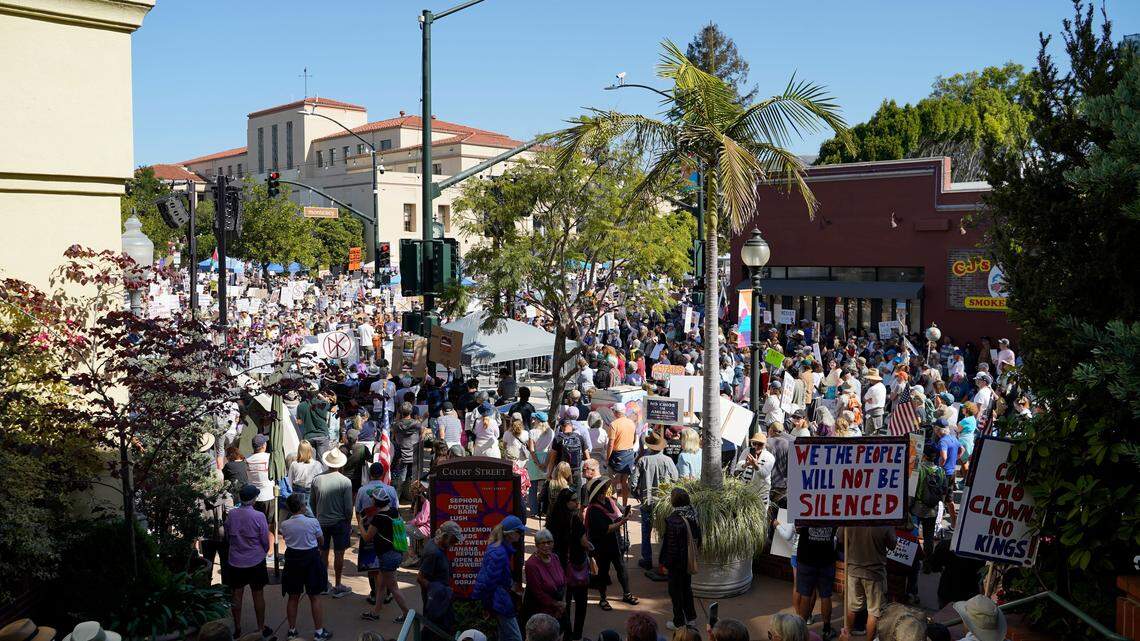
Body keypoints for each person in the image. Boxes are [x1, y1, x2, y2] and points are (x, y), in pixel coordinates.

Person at [279, 494, 332, 641]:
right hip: (311, 560)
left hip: (293, 561)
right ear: (302, 507)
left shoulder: (285, 524)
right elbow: (321, 541)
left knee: (293, 596)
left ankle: (291, 631)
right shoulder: (313, 522)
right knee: (314, 596)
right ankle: (319, 632)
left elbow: (286, 538)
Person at [225, 484, 272, 639]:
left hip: (236, 560)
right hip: (255, 560)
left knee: (237, 594)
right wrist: (264, 551)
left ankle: (237, 627)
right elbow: (265, 540)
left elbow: (227, 534)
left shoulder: (232, 514)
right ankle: (260, 628)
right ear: (254, 499)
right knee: (258, 594)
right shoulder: (259, 516)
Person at [584, 477, 638, 611]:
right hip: (601, 545)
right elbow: (606, 529)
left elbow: (621, 512)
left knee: (621, 568)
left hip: (615, 542)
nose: (603, 493)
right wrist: (622, 522)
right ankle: (603, 599)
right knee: (603, 572)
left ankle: (627, 594)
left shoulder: (610, 501)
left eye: (604, 490)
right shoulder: (593, 510)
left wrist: (627, 513)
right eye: (601, 491)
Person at [472, 516, 528, 641]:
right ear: (510, 534)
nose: (521, 535)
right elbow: (489, 583)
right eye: (519, 532)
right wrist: (487, 606)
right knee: (515, 637)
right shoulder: (500, 553)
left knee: (504, 635)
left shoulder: (498, 549)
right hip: (500, 600)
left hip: (497, 599)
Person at [359, 488, 410, 623]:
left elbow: (367, 537)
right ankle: (375, 613)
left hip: (388, 556)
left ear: (376, 501)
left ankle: (407, 614)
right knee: (381, 585)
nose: (371, 499)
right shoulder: (393, 511)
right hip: (395, 553)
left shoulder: (379, 518)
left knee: (393, 587)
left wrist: (360, 525)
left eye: (372, 498)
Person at [839, 526, 897, 641]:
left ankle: (846, 636)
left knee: (852, 607)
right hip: (874, 573)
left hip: (854, 570)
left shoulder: (850, 519)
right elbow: (893, 545)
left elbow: (840, 539)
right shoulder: (884, 521)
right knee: (874, 612)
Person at [632, 430, 678, 572]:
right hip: (663, 502)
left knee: (646, 531)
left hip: (647, 501)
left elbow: (633, 482)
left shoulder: (643, 460)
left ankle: (647, 559)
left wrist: (636, 493)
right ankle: (663, 561)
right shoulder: (668, 460)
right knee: (664, 532)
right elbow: (676, 478)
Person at [548, 489, 590, 641]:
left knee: (564, 602)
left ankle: (567, 633)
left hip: (559, 567)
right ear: (566, 502)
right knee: (581, 603)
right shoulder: (575, 520)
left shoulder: (552, 518)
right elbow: (584, 542)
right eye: (574, 500)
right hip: (575, 565)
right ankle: (577, 635)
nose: (577, 502)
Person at [312, 448, 354, 599]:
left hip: (321, 521)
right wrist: (348, 522)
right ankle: (338, 584)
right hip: (339, 522)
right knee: (339, 554)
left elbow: (312, 502)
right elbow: (348, 508)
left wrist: (317, 516)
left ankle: (324, 583)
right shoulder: (345, 482)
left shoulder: (317, 479)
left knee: (323, 553)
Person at [659, 487, 701, 630]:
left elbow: (671, 547)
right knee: (686, 589)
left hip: (676, 564)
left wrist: (666, 564)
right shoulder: (693, 514)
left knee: (675, 593)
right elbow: (698, 538)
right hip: (688, 561)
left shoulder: (674, 520)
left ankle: (679, 623)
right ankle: (691, 618)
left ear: (674, 502)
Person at [791, 520, 838, 640]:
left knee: (805, 594)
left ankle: (802, 630)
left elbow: (797, 529)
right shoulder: (834, 512)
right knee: (825, 595)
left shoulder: (806, 510)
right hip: (826, 559)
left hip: (807, 558)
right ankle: (826, 629)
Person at [418, 521, 463, 641]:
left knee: (443, 626)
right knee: (434, 628)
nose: (455, 543)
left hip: (440, 597)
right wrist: (438, 590)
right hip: (436, 599)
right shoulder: (433, 553)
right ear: (445, 536)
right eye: (453, 540)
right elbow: (420, 578)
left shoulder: (438, 545)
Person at [523, 529, 567, 628]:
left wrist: (562, 603)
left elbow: (564, 580)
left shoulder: (555, 558)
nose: (546, 545)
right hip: (541, 613)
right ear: (537, 545)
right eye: (542, 543)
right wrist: (556, 604)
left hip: (559, 608)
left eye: (549, 542)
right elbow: (537, 592)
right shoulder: (531, 564)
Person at [245, 434, 276, 559]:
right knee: (270, 525)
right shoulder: (270, 458)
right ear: (264, 445)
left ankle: (258, 550)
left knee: (256, 525)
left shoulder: (248, 459)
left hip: (254, 497)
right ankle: (270, 551)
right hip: (268, 495)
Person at [606, 404, 637, 508]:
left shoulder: (614, 424)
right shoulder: (631, 423)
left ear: (615, 412)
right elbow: (634, 439)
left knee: (613, 483)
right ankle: (624, 505)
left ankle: (614, 508)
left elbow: (611, 444)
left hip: (617, 455)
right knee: (625, 481)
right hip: (629, 454)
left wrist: (607, 458)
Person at [391, 402, 424, 498]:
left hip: (401, 456)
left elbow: (394, 439)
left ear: (401, 412)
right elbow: (421, 437)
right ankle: (411, 497)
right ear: (411, 411)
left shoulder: (396, 425)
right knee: (413, 478)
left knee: (400, 478)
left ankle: (397, 497)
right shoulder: (417, 424)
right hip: (414, 455)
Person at [548, 417, 589, 494]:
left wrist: (549, 474)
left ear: (561, 427)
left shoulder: (558, 439)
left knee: (562, 495)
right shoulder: (580, 438)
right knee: (577, 495)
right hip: (576, 471)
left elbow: (552, 459)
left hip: (562, 471)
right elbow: (587, 457)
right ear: (571, 426)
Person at [288, 440, 322, 517]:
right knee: (311, 514)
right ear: (310, 450)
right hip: (311, 490)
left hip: (297, 491)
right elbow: (319, 481)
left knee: (297, 513)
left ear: (299, 450)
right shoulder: (317, 464)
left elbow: (290, 481)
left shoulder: (294, 464)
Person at [862, 369, 886, 436]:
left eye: (870, 379)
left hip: (872, 412)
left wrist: (867, 400)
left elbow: (864, 398)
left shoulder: (872, 389)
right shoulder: (882, 386)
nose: (869, 380)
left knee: (869, 434)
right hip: (880, 411)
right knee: (876, 433)